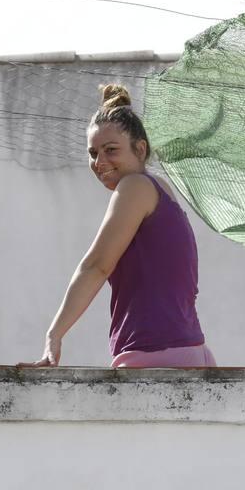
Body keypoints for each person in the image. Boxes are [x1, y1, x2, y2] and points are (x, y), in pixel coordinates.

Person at [31, 84, 215, 369]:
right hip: (190, 351)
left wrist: (54, 335)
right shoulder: (159, 188)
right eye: (92, 153)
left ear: (140, 149)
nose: (99, 162)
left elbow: (96, 266)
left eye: (111, 150)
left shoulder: (135, 187)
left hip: (155, 357)